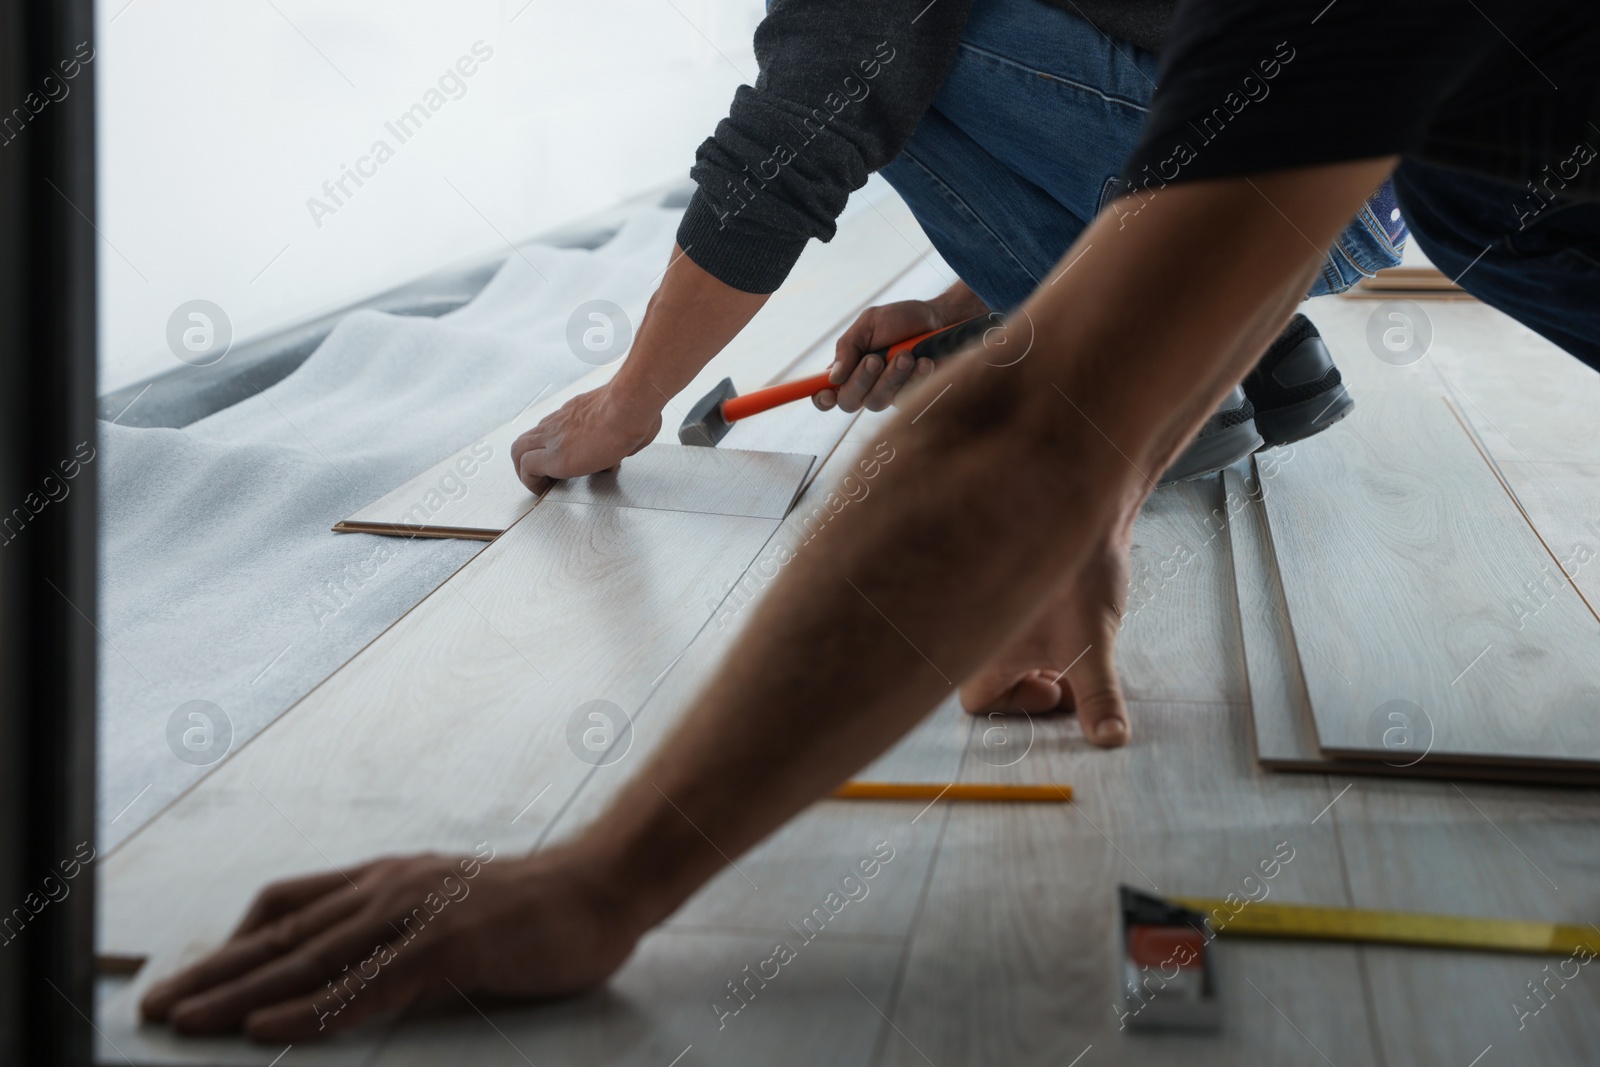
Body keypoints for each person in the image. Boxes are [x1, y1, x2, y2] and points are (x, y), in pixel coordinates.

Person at [140, 0, 1598, 1042]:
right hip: (1384, 188)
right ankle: (1189, 339)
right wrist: (1045, 374)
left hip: (1372, 181)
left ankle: (1178, 342)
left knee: (893, 50)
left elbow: (807, 144)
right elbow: (1298, 113)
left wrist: (603, 876)